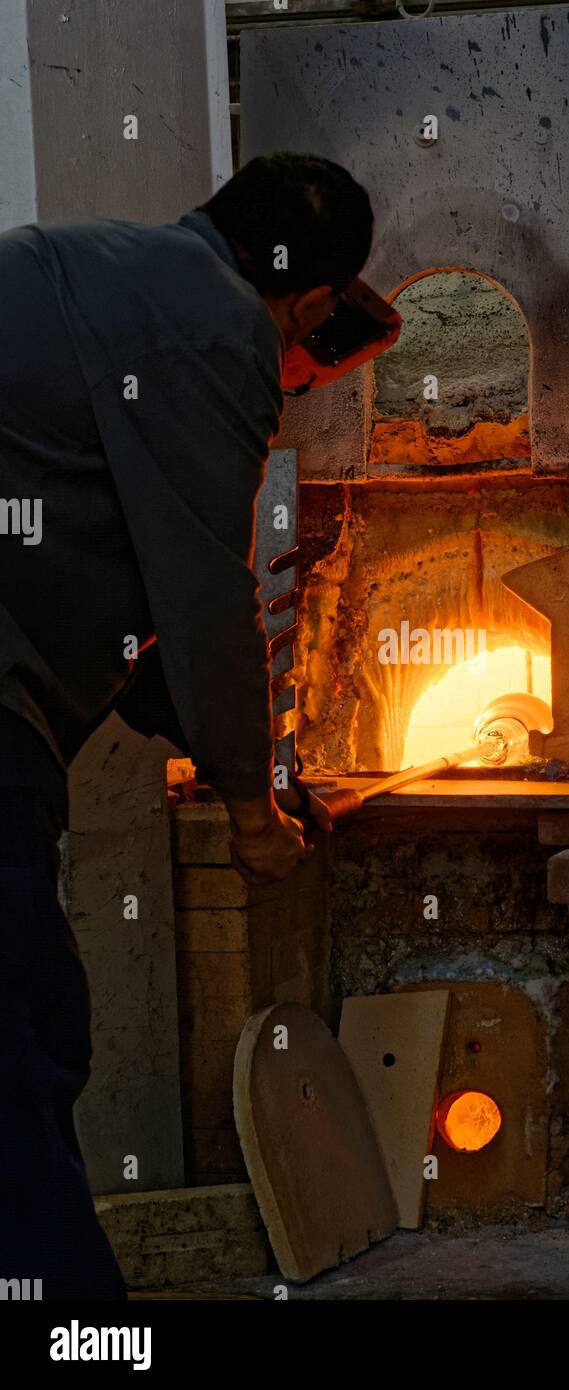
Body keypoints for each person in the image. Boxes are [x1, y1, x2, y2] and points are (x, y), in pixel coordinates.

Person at [0, 152, 373, 1298]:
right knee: (20, 1040)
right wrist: (254, 814)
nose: (290, 387)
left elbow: (146, 614)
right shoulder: (222, 327)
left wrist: (224, 749)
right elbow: (208, 601)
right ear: (307, 305)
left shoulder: (87, 261)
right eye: (305, 365)